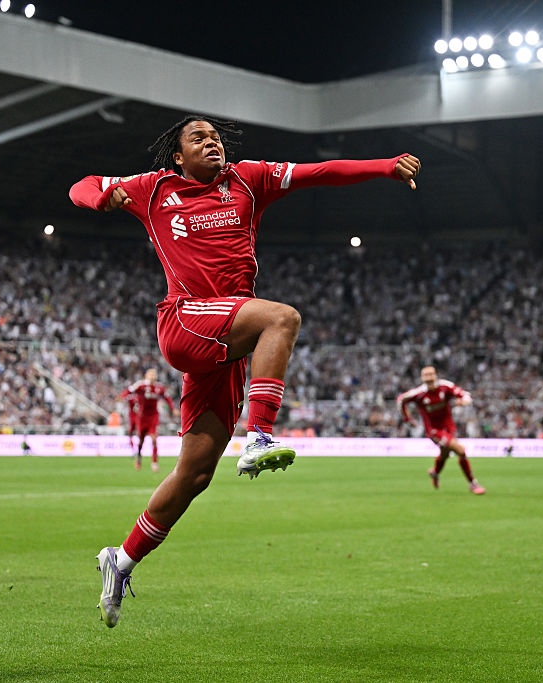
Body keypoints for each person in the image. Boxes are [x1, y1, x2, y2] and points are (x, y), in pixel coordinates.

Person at [70, 115, 421, 627]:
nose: (211, 143)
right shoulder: (153, 189)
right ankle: (259, 436)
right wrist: (104, 197)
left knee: (195, 473)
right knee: (282, 318)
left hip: (228, 340)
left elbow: (318, 173)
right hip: (185, 320)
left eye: (215, 137)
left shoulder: (248, 179)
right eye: (198, 138)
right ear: (178, 157)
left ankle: (119, 561)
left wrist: (384, 167)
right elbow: (80, 186)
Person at [397, 366, 485, 495]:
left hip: (449, 428)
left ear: (436, 375)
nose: (429, 377)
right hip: (434, 431)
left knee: (445, 454)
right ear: (422, 378)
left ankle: (435, 472)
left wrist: (464, 401)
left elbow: (465, 394)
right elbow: (400, 400)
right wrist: (407, 419)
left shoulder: (445, 386)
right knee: (460, 450)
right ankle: (473, 483)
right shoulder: (419, 393)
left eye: (431, 374)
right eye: (425, 375)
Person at [119, 368, 176, 472]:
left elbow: (167, 398)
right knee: (141, 440)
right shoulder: (141, 385)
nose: (153, 376)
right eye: (151, 374)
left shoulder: (159, 388)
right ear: (146, 376)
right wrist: (122, 396)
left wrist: (173, 409)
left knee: (154, 439)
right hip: (142, 417)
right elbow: (129, 390)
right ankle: (139, 458)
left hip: (153, 416)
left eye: (154, 374)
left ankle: (154, 462)